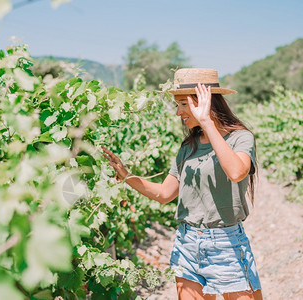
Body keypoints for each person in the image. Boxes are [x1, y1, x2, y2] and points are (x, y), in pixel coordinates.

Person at [101, 68, 263, 300]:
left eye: (183, 104)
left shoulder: (240, 138)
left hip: (226, 245)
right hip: (188, 242)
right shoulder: (189, 147)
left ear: (204, 101)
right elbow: (164, 193)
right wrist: (127, 176)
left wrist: (207, 123)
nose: (178, 112)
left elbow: (237, 172)